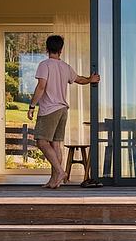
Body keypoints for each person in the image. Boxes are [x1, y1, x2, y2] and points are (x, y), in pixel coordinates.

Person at [27, 34, 100, 188]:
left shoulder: (44, 65)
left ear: (47, 49)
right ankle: (54, 181)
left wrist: (32, 106)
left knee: (41, 141)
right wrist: (90, 79)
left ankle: (60, 172)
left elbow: (41, 87)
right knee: (55, 144)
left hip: (49, 109)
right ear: (61, 50)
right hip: (62, 110)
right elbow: (79, 79)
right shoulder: (65, 67)